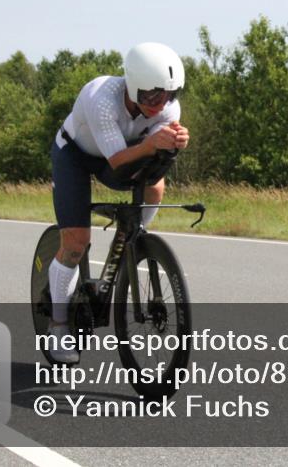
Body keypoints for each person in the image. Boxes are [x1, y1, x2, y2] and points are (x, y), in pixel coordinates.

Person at [47, 42, 190, 363]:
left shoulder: (168, 108)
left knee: (154, 186)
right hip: (76, 155)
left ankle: (133, 242)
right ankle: (58, 325)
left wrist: (173, 145)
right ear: (134, 86)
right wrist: (152, 144)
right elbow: (117, 162)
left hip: (119, 154)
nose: (160, 104)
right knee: (75, 242)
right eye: (152, 97)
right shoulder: (100, 98)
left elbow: (151, 161)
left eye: (169, 95)